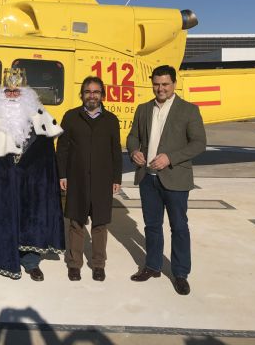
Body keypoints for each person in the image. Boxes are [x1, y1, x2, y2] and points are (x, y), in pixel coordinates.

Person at [0, 68, 65, 281]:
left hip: (30, 179)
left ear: (25, 92)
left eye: (17, 91)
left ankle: (30, 263)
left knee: (31, 220)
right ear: (2, 92)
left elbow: (46, 150)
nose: (12, 95)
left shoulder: (38, 114)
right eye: (9, 91)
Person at [126, 64, 206, 295]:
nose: (160, 89)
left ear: (174, 84)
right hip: (147, 179)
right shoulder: (142, 109)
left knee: (179, 227)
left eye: (165, 84)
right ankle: (152, 266)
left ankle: (180, 273)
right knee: (152, 226)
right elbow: (133, 136)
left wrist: (170, 157)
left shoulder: (189, 110)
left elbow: (199, 143)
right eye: (156, 84)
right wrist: (134, 151)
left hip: (175, 179)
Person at [56, 76, 122, 282]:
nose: (91, 95)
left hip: (102, 179)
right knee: (76, 222)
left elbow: (116, 151)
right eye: (88, 92)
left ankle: (98, 264)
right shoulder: (71, 117)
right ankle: (74, 264)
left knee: (100, 223)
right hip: (77, 178)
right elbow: (63, 149)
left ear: (102, 95)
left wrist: (116, 178)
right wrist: (62, 174)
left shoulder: (111, 120)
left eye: (96, 92)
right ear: (82, 95)